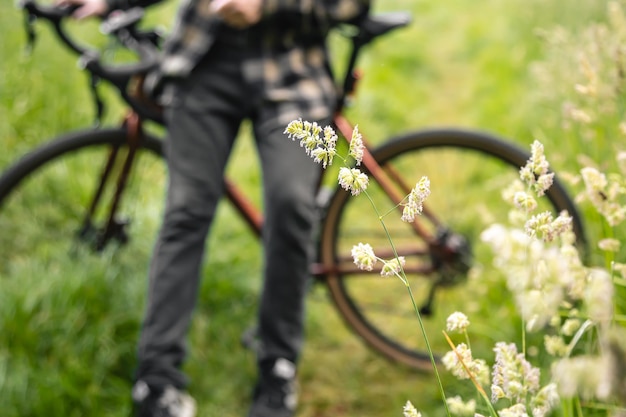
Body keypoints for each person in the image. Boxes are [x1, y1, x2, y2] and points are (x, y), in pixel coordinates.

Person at [57, 0, 371, 416]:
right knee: (185, 211)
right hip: (203, 66)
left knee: (291, 204)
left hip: (293, 74)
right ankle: (157, 381)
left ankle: (278, 363)